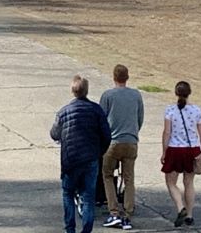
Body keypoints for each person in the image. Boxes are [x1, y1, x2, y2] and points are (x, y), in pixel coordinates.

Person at [51, 75, 112, 233]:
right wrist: (99, 152)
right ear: (86, 90)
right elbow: (106, 135)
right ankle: (86, 229)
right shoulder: (96, 110)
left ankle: (70, 228)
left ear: (72, 90)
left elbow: (54, 134)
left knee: (68, 192)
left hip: (70, 159)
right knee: (88, 195)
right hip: (91, 158)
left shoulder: (64, 112)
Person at [100, 65, 144, 230]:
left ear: (113, 77)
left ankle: (114, 212)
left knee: (108, 175)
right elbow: (140, 118)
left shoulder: (108, 95)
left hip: (113, 141)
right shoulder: (136, 95)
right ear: (127, 77)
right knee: (129, 178)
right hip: (131, 141)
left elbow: (101, 119)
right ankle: (128, 213)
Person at [161, 81, 201, 228]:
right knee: (189, 183)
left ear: (176, 93)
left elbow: (167, 132)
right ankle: (189, 215)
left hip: (175, 149)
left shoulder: (170, 111)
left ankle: (180, 207)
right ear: (189, 93)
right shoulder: (197, 111)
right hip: (192, 149)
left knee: (171, 182)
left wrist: (164, 151)